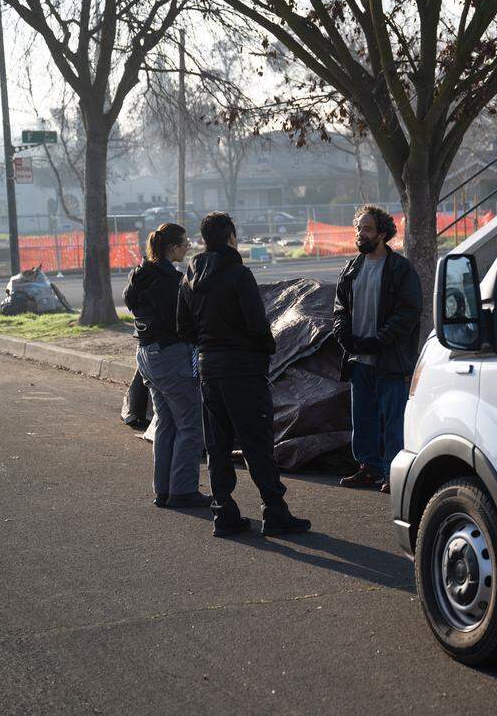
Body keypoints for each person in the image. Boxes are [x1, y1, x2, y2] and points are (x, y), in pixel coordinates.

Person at [176, 211, 311, 537]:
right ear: (231, 237)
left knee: (218, 445)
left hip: (210, 368)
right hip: (243, 370)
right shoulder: (238, 274)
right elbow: (257, 325)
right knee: (256, 443)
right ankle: (274, 511)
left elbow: (183, 328)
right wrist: (265, 350)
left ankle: (223, 512)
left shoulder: (189, 278)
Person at [333, 205, 422, 494]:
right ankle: (369, 468)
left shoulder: (400, 269)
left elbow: (407, 314)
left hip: (389, 360)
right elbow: (340, 309)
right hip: (359, 360)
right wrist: (344, 335)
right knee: (364, 419)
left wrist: (378, 340)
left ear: (383, 233)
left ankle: (393, 473)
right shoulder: (351, 268)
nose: (360, 234)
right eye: (358, 228)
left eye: (367, 229)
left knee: (393, 421)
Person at [123, 223, 210, 509]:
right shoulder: (169, 281)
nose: (188, 247)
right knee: (191, 425)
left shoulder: (141, 275)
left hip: (147, 355)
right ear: (172, 247)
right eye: (184, 243)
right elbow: (182, 321)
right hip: (172, 356)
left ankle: (164, 489)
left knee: (166, 424)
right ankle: (183, 490)